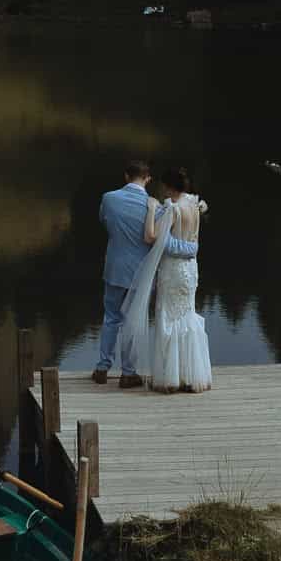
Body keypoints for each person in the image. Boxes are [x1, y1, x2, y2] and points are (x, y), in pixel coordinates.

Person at [95, 160, 199, 387]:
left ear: (126, 176)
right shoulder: (157, 207)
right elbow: (159, 241)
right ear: (148, 179)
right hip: (140, 274)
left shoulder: (108, 199)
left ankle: (102, 367)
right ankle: (128, 373)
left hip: (115, 268)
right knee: (132, 321)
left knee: (111, 318)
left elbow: (105, 221)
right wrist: (191, 249)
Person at [121, 167, 211, 393]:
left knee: (168, 317)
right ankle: (191, 375)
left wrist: (152, 209)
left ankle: (171, 377)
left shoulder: (174, 209)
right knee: (187, 315)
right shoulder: (194, 205)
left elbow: (151, 237)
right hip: (190, 269)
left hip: (172, 270)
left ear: (169, 187)